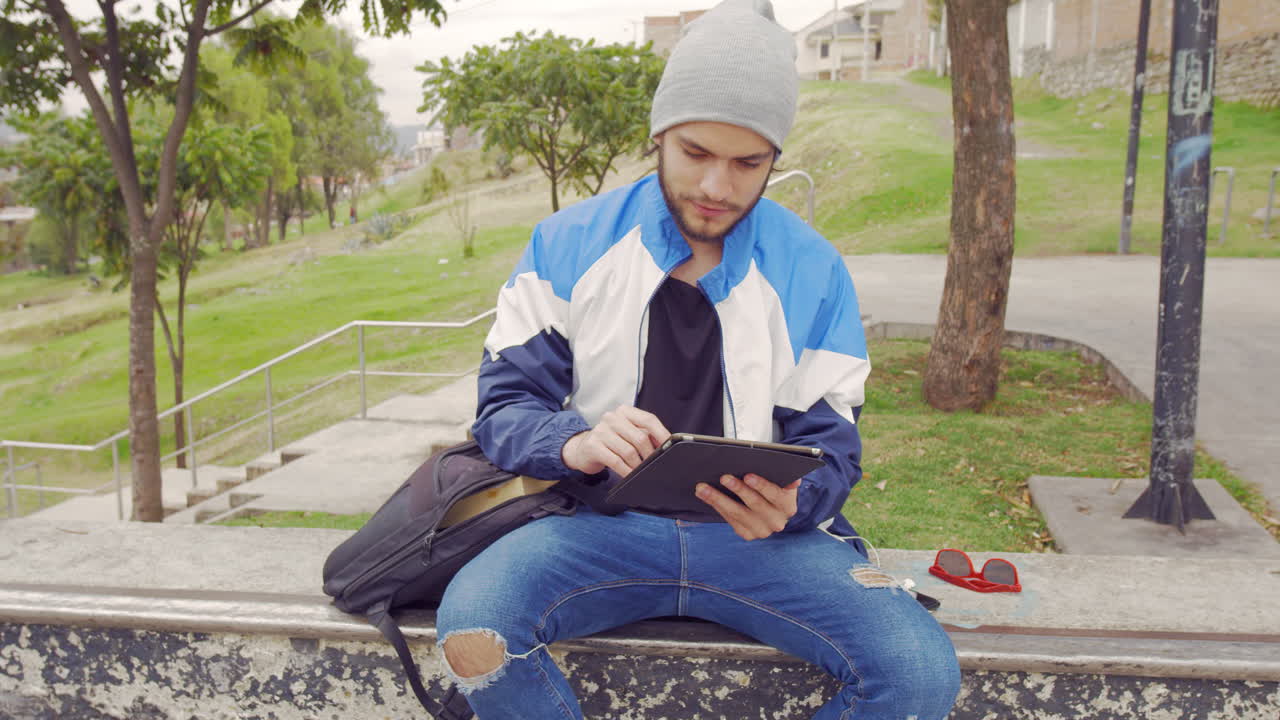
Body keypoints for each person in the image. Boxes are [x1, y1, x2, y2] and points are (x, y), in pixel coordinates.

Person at [435, 1, 961, 717]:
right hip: (593, 530)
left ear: (775, 158)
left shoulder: (814, 268)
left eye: (748, 162)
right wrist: (576, 442)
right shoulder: (566, 244)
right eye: (695, 152)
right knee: (475, 630)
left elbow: (833, 445)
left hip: (763, 545)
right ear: (658, 136)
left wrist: (797, 501)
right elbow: (504, 407)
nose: (717, 186)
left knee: (919, 674)